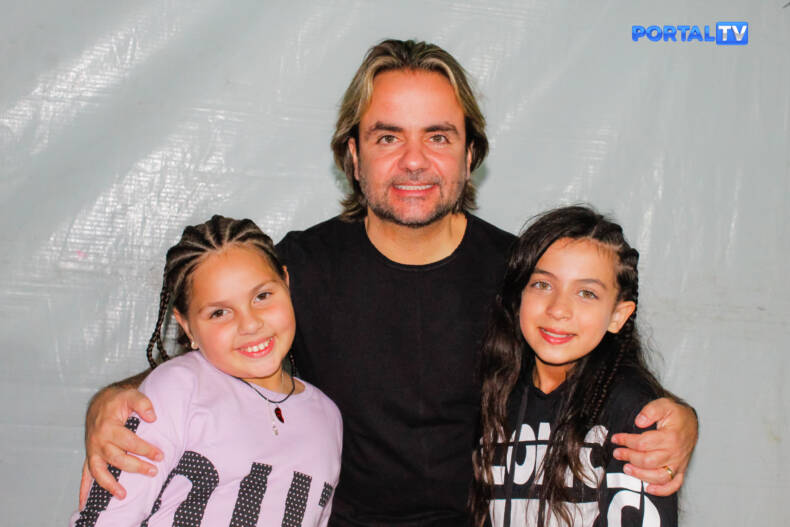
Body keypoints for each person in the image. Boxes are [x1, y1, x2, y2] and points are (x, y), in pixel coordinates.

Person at [80, 40, 697, 525]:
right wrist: (114, 402)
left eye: (438, 136)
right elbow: (218, 356)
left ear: (470, 154)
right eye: (387, 137)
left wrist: (677, 417)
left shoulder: (523, 275)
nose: (414, 161)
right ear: (352, 155)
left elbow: (598, 364)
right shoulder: (301, 267)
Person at [72, 215, 342, 526]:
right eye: (219, 312)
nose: (250, 324)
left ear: (286, 282)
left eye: (262, 296)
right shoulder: (176, 389)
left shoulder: (328, 416)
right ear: (187, 325)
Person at [471, 206, 677, 526]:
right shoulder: (493, 391)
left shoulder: (633, 411)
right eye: (542, 284)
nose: (558, 309)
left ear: (618, 316)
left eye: (586, 293)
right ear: (518, 296)